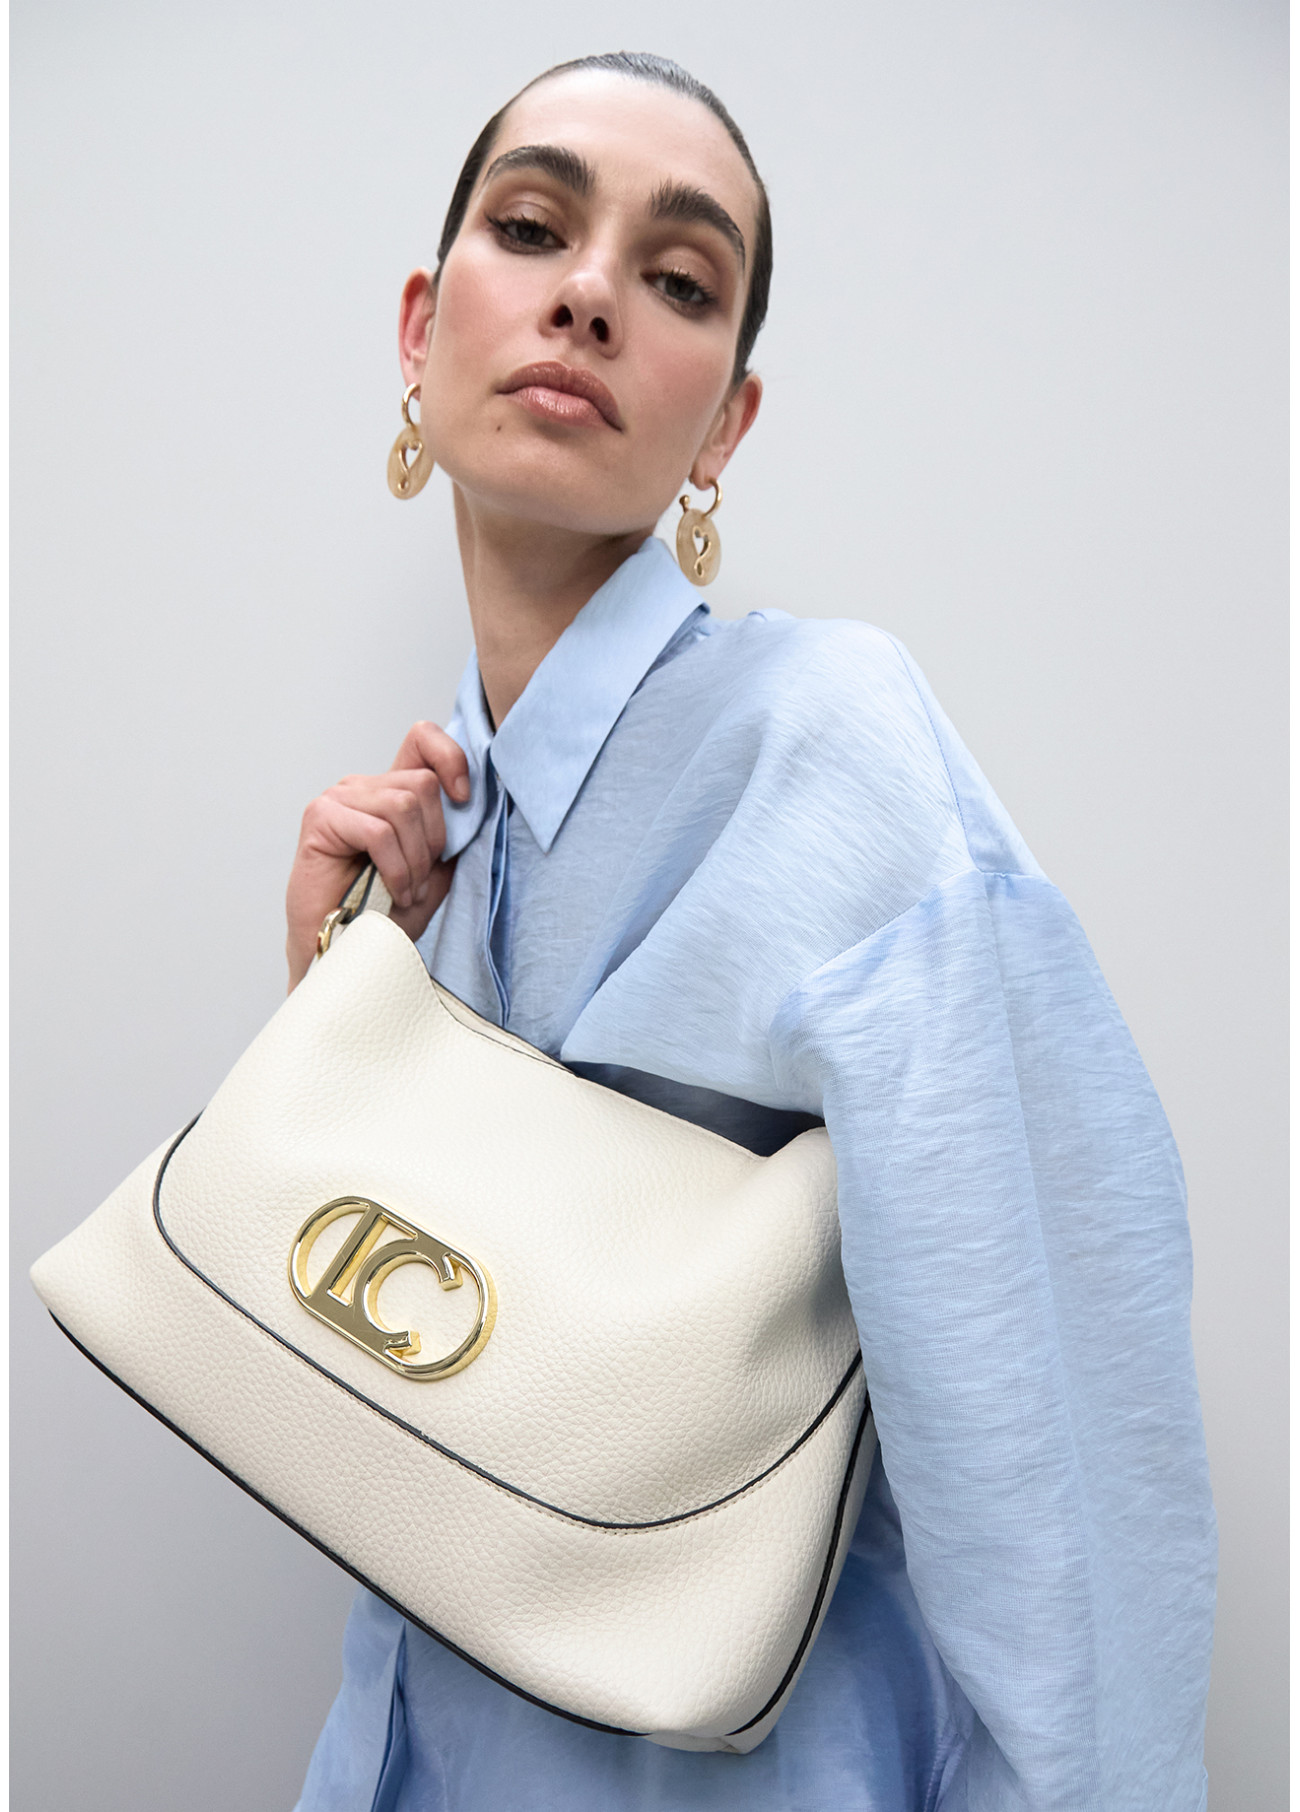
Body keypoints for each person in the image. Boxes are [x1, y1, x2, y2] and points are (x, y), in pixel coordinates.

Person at [286, 51, 1215, 1812]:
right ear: (421, 327)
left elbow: (1059, 1425)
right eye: (532, 227)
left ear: (724, 424)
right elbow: (401, 1391)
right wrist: (332, 1022)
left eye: (679, 278)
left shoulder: (835, 744)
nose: (587, 294)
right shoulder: (424, 843)